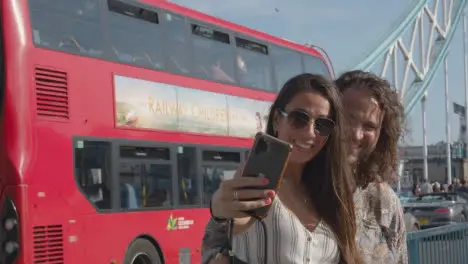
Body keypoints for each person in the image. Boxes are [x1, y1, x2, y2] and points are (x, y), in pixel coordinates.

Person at [201, 70, 408, 264]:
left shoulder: (385, 202)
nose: (356, 134)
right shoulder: (284, 182)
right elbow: (221, 239)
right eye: (348, 120)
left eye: (370, 126)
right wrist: (219, 207)